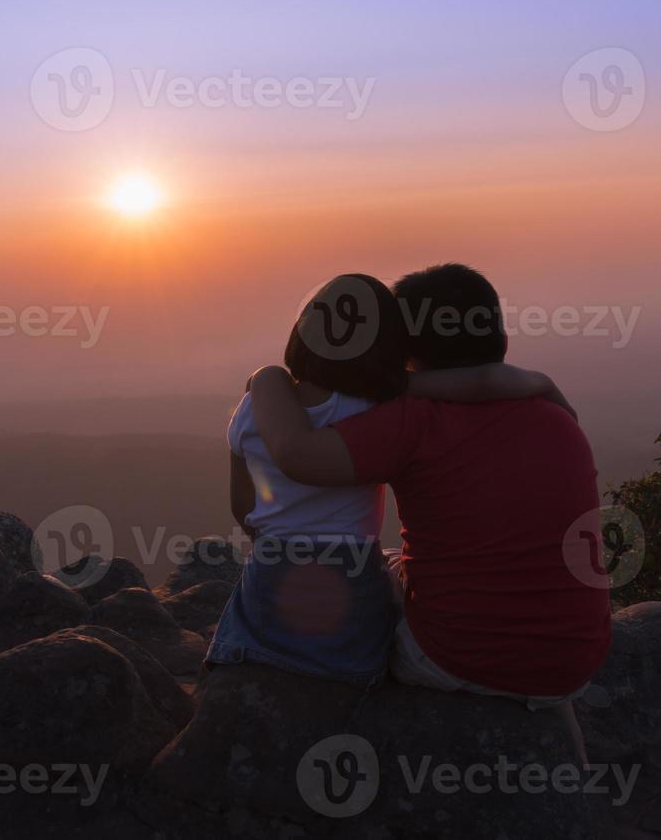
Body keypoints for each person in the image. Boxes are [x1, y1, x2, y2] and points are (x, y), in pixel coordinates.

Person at [246, 264, 610, 759]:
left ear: (403, 354)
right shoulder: (555, 417)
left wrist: (266, 379)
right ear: (501, 340)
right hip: (574, 664)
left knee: (366, 578)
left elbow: (296, 455)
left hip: (453, 660)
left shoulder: (412, 422)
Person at [210, 273, 575, 687]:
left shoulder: (265, 409)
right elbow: (483, 381)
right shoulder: (381, 408)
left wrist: (264, 376)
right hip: (568, 658)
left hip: (287, 577)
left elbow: (258, 494)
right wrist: (538, 382)